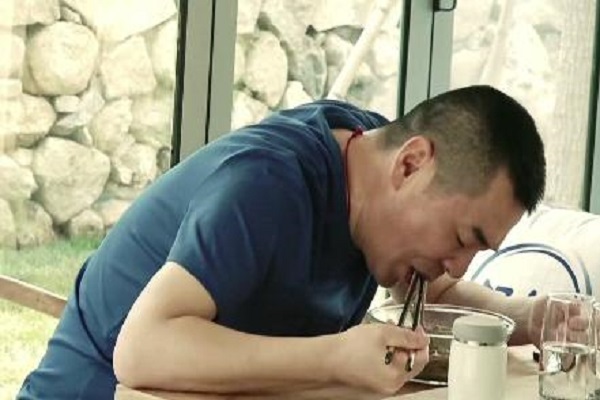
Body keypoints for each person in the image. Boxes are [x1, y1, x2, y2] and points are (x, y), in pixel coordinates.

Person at [18, 85, 546, 399]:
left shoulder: (372, 166)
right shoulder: (267, 184)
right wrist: (334, 357)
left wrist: (530, 318)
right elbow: (141, 351)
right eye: (461, 238)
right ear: (410, 164)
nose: (458, 264)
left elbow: (437, 292)